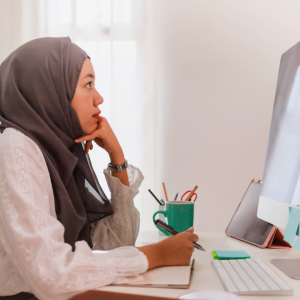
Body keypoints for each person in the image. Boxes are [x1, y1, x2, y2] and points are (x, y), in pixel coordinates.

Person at [0, 37, 199, 300]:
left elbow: (120, 240)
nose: (99, 98)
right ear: (49, 91)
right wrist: (153, 255)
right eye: (88, 85)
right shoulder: (15, 147)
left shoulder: (60, 153)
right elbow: (50, 274)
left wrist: (117, 158)